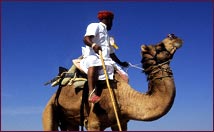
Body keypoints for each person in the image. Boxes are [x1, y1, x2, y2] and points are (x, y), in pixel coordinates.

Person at [80, 10, 129, 103]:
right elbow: (86, 38)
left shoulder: (108, 36)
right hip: (93, 55)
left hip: (106, 60)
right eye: (111, 21)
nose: (112, 24)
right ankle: (91, 93)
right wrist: (93, 45)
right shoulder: (95, 26)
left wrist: (121, 63)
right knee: (93, 64)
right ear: (108, 20)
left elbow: (111, 53)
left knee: (124, 76)